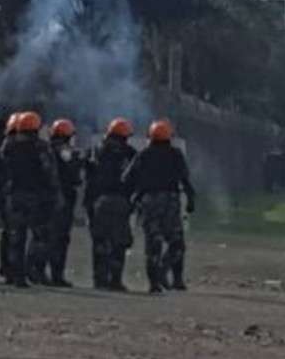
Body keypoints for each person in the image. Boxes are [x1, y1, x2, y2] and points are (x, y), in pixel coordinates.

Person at [122, 119, 195, 294]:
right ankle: (170, 274)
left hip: (149, 201)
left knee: (153, 244)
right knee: (176, 243)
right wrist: (191, 199)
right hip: (171, 201)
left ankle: (154, 283)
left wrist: (134, 196)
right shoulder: (175, 154)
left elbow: (127, 178)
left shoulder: (144, 155)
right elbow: (185, 179)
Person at [0, 111, 59, 287]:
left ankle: (16, 275)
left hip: (14, 196)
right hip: (36, 196)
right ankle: (33, 268)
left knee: (16, 237)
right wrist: (53, 192)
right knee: (40, 236)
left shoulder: (8, 147)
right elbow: (49, 172)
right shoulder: (41, 147)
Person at [85, 117, 138, 290]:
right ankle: (115, 280)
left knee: (100, 241)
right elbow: (136, 179)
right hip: (121, 201)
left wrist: (89, 204)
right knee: (119, 243)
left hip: (101, 200)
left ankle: (99, 280)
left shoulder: (97, 150)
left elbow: (90, 178)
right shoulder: (130, 153)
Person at [41, 118, 84, 288]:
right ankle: (56, 275)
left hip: (47, 199)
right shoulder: (67, 153)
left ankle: (39, 271)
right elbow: (75, 178)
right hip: (63, 198)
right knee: (60, 238)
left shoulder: (45, 149)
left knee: (45, 236)